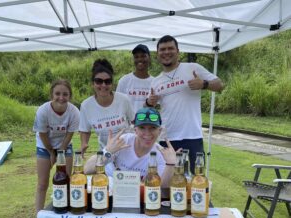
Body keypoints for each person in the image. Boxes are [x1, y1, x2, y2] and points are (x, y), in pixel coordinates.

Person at [146, 35, 224, 174]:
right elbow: (148, 109)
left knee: (194, 182)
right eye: (162, 49)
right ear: (157, 54)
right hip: (166, 138)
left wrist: (204, 84)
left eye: (170, 48)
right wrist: (149, 102)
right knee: (166, 183)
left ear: (178, 51)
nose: (166, 52)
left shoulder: (192, 68)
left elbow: (220, 85)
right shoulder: (155, 81)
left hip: (192, 136)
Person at [32, 79, 80, 218]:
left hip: (64, 146)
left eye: (65, 94)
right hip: (45, 146)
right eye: (57, 94)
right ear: (52, 94)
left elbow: (69, 134)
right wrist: (51, 152)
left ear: (70, 95)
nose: (61, 97)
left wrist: (60, 151)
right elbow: (43, 134)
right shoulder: (43, 110)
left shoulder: (74, 111)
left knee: (66, 182)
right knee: (42, 183)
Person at [84, 107, 177, 188]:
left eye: (152, 128)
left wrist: (171, 164)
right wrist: (107, 151)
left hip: (138, 196)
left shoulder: (160, 153)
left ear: (159, 131)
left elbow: (163, 188)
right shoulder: (123, 141)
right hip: (112, 190)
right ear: (135, 130)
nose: (147, 133)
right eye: (142, 128)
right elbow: (87, 169)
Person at [80, 59, 134, 156]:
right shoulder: (86, 105)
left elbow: (135, 122)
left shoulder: (124, 99)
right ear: (93, 83)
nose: (103, 85)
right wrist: (84, 144)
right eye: (98, 81)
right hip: (106, 154)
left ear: (112, 84)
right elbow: (85, 130)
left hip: (128, 151)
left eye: (107, 81)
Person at [116, 44, 153, 113]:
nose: (139, 59)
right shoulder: (124, 81)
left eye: (143, 56)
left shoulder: (155, 82)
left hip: (148, 123)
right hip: (129, 123)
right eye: (136, 57)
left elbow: (158, 107)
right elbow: (117, 105)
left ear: (149, 58)